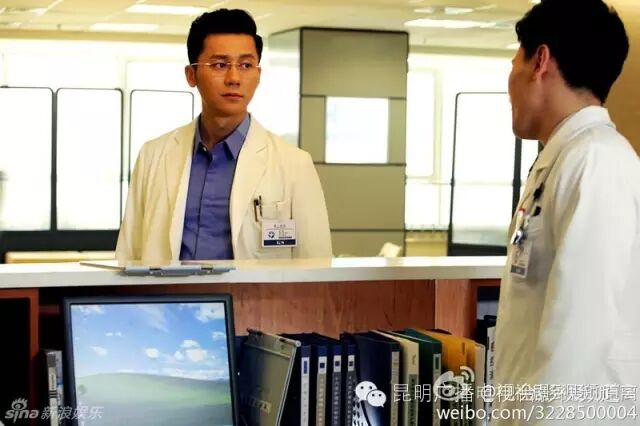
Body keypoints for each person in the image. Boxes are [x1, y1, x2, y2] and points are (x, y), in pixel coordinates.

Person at [494, 0, 640, 422]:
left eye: (514, 62)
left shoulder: (596, 161)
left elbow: (581, 328)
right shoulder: (564, 158)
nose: (510, 83)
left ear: (540, 61)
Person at [116, 9, 332, 263]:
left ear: (258, 75)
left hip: (256, 291)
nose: (234, 78)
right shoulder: (153, 155)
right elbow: (129, 253)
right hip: (168, 291)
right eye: (220, 65)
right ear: (191, 75)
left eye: (246, 65)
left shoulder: (294, 164)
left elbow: (316, 263)